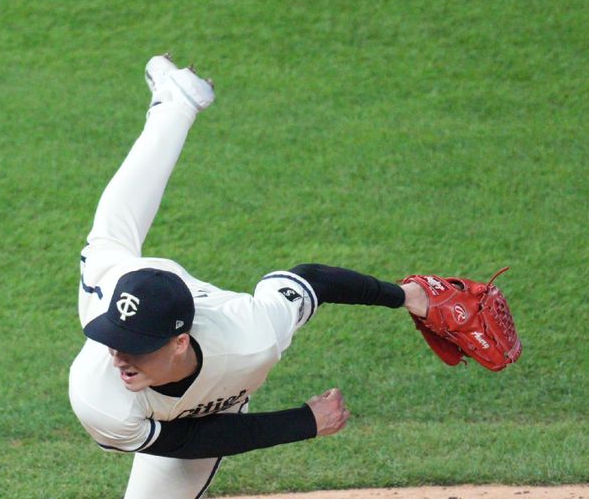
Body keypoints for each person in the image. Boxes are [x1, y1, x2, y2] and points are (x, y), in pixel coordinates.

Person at [69, 55, 431, 499]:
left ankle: (175, 102)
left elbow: (310, 281)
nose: (120, 357)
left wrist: (409, 296)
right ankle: (176, 101)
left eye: (137, 347)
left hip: (208, 371)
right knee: (110, 240)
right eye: (116, 341)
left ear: (179, 342)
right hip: (119, 282)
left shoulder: (250, 335)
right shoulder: (96, 390)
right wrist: (304, 422)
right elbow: (178, 441)